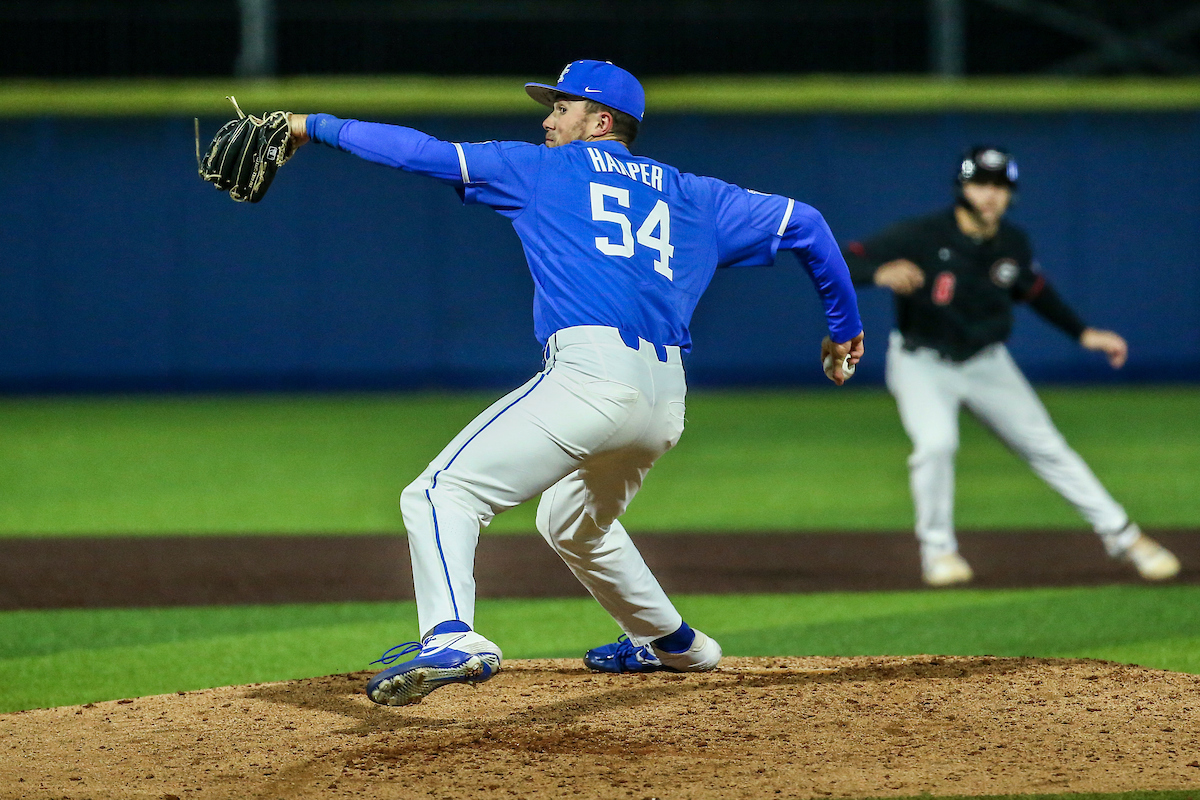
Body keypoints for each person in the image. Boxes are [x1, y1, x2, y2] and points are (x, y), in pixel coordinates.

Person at [283, 60, 864, 705]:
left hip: (591, 376)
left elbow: (420, 153)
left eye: (561, 107)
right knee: (571, 521)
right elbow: (807, 225)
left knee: (439, 495)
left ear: (601, 121)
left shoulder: (540, 168)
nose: (547, 118)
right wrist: (844, 329)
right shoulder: (695, 196)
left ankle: (451, 636)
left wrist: (313, 125)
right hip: (664, 402)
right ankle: (675, 643)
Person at [842, 145, 1180, 588]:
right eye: (981, 183)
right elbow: (845, 257)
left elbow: (1034, 290)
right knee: (936, 444)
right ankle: (939, 552)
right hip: (921, 362)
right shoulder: (922, 234)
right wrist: (878, 272)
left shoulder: (1012, 243)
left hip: (987, 362)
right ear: (963, 187)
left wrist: (1083, 333)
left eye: (1000, 186)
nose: (990, 194)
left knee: (1049, 447)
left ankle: (1125, 538)